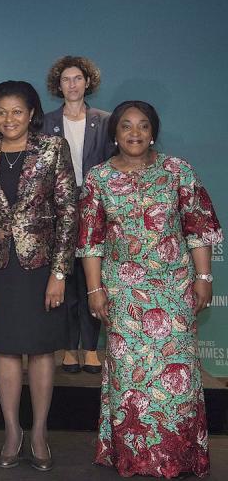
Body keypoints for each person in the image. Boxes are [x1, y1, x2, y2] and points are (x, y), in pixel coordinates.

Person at [78, 101, 220, 478]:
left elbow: (199, 227)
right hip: (123, 292)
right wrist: (95, 290)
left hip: (174, 288)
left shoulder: (178, 170)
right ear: (115, 134)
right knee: (130, 376)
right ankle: (134, 455)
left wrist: (203, 279)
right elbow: (90, 241)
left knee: (179, 373)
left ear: (153, 131)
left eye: (143, 126)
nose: (135, 133)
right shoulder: (99, 178)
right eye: (126, 126)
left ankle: (178, 455)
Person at [0, 81, 77, 471]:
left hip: (42, 266)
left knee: (42, 349)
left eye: (17, 111)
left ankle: (40, 431)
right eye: (0, 112)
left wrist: (59, 273)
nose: (8, 119)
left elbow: (68, 213)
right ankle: (13, 431)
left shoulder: (52, 149)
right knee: (7, 348)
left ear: (31, 114)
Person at [42, 56, 113, 375]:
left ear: (88, 83)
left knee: (92, 281)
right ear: (59, 86)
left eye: (77, 78)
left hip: (94, 209)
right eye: (66, 79)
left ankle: (90, 349)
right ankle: (69, 349)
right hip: (57, 211)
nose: (72, 84)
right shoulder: (45, 121)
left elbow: (113, 166)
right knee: (65, 281)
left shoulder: (106, 120)